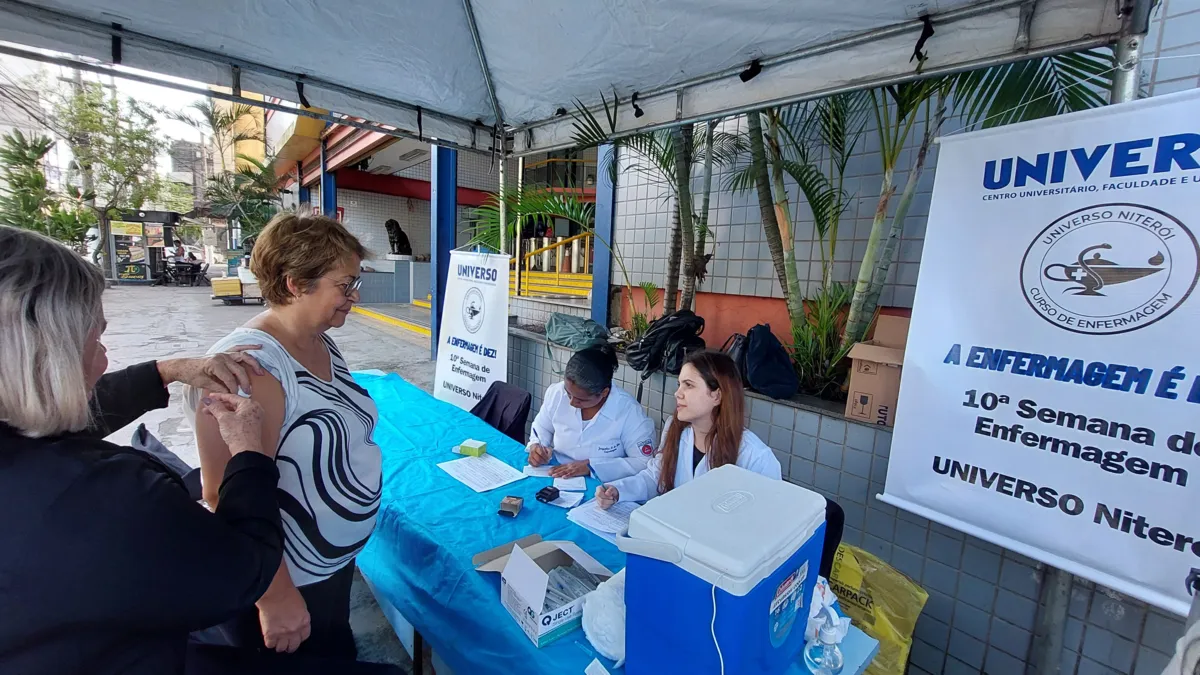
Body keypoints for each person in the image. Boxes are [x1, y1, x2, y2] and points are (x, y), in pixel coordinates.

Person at [0, 225, 284, 675]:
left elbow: (44, 412)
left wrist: (164, 370)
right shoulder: (107, 500)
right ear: (42, 361)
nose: (104, 359)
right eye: (93, 341)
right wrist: (249, 456)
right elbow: (242, 568)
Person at [187, 212, 380, 660]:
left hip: (326, 566)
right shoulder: (249, 368)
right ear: (296, 283)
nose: (353, 297)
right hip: (290, 580)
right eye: (344, 285)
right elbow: (223, 493)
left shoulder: (318, 338)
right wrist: (275, 598)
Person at [596, 350, 781, 508]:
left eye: (689, 385)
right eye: (679, 384)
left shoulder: (755, 457)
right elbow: (656, 478)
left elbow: (765, 518)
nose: (678, 393)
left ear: (717, 396)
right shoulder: (676, 429)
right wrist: (618, 490)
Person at [527, 344, 656, 481]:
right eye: (568, 393)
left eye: (581, 400)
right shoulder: (557, 393)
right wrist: (537, 446)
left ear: (604, 393)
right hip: (557, 472)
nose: (571, 402)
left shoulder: (629, 411)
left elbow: (643, 461)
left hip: (603, 485)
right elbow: (542, 426)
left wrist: (592, 467)